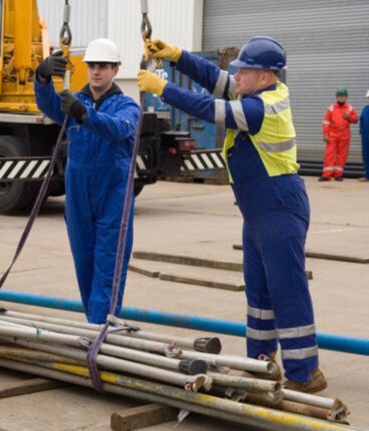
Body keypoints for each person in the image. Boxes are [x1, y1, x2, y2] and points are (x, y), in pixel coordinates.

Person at [138, 36, 326, 393]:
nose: (235, 76)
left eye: (244, 71)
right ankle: (259, 363)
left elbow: (211, 109)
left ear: (266, 75)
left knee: (287, 290)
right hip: (258, 214)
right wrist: (177, 57)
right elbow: (213, 78)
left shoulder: (261, 108)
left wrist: (164, 89)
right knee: (259, 292)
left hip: (279, 207)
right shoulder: (251, 93)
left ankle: (305, 373)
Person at [33, 39, 140, 324]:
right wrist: (43, 76)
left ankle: (100, 331)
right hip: (79, 197)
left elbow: (118, 129)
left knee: (107, 269)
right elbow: (46, 103)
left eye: (103, 66)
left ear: (115, 69)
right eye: (92, 65)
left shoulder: (126, 105)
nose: (96, 71)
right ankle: (95, 325)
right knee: (84, 266)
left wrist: (83, 114)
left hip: (113, 199)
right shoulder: (73, 101)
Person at [320, 87, 358, 181]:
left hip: (344, 135)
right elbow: (326, 122)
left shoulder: (350, 108)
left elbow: (355, 120)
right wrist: (325, 134)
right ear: (336, 97)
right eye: (339, 96)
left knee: (342, 155)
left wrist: (349, 117)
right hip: (332, 135)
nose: (341, 98)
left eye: (343, 96)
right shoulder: (331, 108)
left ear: (346, 97)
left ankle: (338, 175)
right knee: (329, 154)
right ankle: (326, 175)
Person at [360, 90, 369, 182]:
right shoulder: (365, 109)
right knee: (366, 156)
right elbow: (361, 121)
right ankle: (367, 175)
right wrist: (362, 132)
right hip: (365, 136)